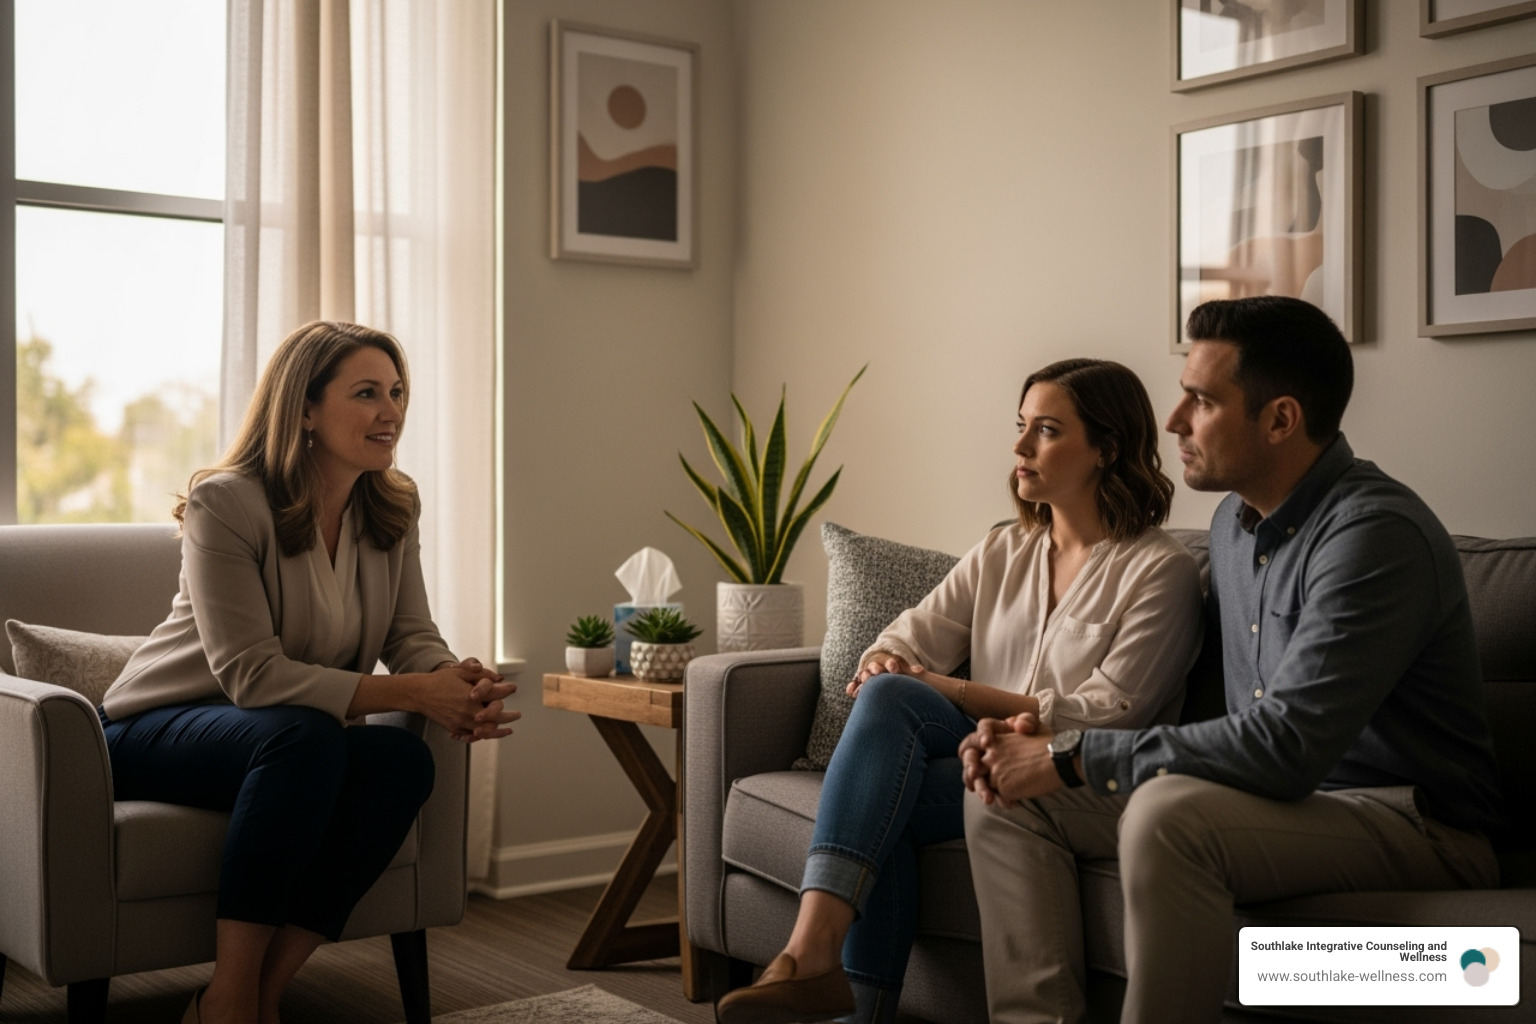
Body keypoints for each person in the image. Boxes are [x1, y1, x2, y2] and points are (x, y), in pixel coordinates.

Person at [961, 296, 1505, 1024]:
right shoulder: (1231, 526)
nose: (1174, 421)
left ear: (1280, 420)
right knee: (1002, 793)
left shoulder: (1374, 537)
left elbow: (1286, 747)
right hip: (1277, 803)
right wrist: (1035, 754)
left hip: (1412, 822)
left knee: (1166, 817)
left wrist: (1071, 756)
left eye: (1202, 401)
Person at [716, 359, 1204, 1024]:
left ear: (1106, 449)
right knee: (887, 717)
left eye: (1047, 430)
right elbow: (910, 634)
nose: (1020, 446)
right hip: (983, 757)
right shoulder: (1004, 549)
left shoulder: (1161, 572)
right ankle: (819, 970)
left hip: (1078, 774)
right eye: (1020, 426)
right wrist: (885, 660)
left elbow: (1101, 718)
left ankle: (814, 966)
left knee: (881, 797)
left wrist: (946, 687)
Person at [98, 321, 518, 1024]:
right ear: (304, 410)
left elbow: (409, 632)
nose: (391, 411)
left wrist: (453, 680)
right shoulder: (225, 502)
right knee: (306, 735)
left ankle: (261, 992)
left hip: (284, 740)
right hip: (151, 732)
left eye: (397, 392)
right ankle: (230, 1000)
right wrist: (416, 691)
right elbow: (251, 675)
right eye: (366, 393)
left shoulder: (392, 504)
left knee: (402, 761)